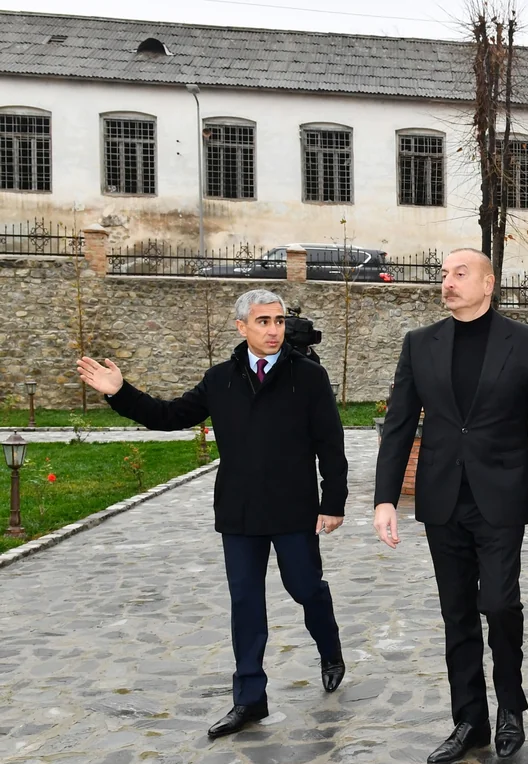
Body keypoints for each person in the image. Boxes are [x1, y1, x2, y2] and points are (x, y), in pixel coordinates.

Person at [76, 289, 348, 738]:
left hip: (293, 509)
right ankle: (249, 699)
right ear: (241, 327)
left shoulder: (309, 377)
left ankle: (330, 648)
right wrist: (120, 393)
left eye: (279, 321)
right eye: (263, 322)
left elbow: (330, 444)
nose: (273, 330)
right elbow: (168, 415)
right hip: (239, 513)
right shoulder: (220, 379)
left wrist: (332, 501)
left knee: (305, 588)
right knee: (245, 603)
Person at [373, 248, 528, 764]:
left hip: (500, 498)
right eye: (443, 275)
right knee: (456, 613)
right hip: (441, 500)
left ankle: (511, 708)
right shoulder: (420, 344)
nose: (448, 282)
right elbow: (399, 425)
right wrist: (385, 497)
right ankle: (470, 720)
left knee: (499, 606)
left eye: (460, 274)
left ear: (488, 283)